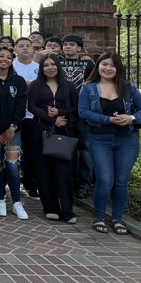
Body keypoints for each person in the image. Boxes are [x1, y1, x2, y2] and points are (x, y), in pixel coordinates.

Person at [79, 52, 141, 235]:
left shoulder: (128, 87)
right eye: (104, 64)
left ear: (118, 68)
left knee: (121, 182)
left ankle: (118, 219)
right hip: (99, 140)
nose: (108, 68)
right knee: (104, 180)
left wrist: (131, 118)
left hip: (127, 141)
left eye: (112, 65)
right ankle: (99, 217)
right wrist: (107, 119)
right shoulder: (88, 88)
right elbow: (83, 112)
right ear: (98, 66)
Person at [27, 54, 79, 223]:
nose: (49, 68)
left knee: (64, 173)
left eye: (53, 64)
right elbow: (31, 106)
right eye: (46, 65)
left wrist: (60, 113)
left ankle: (67, 211)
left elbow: (75, 108)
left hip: (63, 133)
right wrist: (51, 119)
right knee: (44, 172)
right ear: (41, 68)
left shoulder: (69, 86)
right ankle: (50, 208)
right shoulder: (36, 86)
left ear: (58, 66)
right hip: (41, 132)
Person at [0, 47, 29, 220]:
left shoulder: (18, 81)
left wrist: (13, 127)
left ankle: (17, 202)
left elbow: (21, 106)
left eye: (8, 57)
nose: (4, 59)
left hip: (13, 131)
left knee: (12, 166)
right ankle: (0, 200)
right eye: (1, 56)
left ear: (12, 60)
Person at [59, 34, 96, 199]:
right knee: (63, 147)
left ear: (79, 48)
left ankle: (84, 184)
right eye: (65, 44)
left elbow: (94, 83)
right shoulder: (56, 63)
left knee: (85, 148)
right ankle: (66, 182)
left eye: (72, 44)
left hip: (83, 112)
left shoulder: (88, 65)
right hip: (62, 110)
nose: (68, 47)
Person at [13, 36, 41, 200]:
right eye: (21, 45)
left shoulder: (40, 68)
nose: (25, 48)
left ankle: (32, 184)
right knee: (11, 151)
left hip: (33, 115)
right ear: (15, 49)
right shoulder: (11, 66)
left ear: (33, 50)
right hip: (14, 115)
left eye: (28, 46)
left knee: (33, 152)